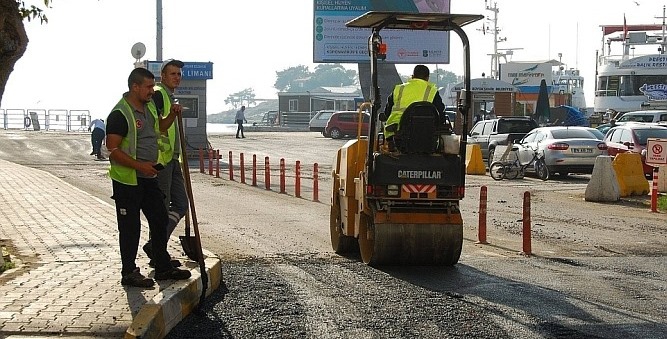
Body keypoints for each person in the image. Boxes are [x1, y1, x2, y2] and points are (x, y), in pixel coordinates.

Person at [105, 67, 191, 288]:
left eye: (153, 86)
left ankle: (162, 266)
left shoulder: (150, 107)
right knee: (130, 227)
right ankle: (129, 272)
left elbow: (159, 128)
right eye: (148, 87)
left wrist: (172, 114)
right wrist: (139, 166)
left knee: (159, 218)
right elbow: (112, 149)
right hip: (128, 181)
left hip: (148, 176)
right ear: (135, 87)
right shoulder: (120, 114)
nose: (152, 91)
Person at [142, 59, 188, 268]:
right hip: (161, 160)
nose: (177, 77)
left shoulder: (169, 97)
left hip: (173, 158)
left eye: (179, 74)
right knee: (161, 208)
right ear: (163, 76)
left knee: (180, 203)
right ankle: (158, 253)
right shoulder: (159, 94)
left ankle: (156, 245)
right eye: (173, 74)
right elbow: (157, 125)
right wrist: (172, 114)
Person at [381, 64, 445, 149]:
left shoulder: (399, 89)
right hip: (426, 137)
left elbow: (387, 113)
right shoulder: (432, 91)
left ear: (412, 76)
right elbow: (441, 116)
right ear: (427, 78)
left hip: (397, 136)